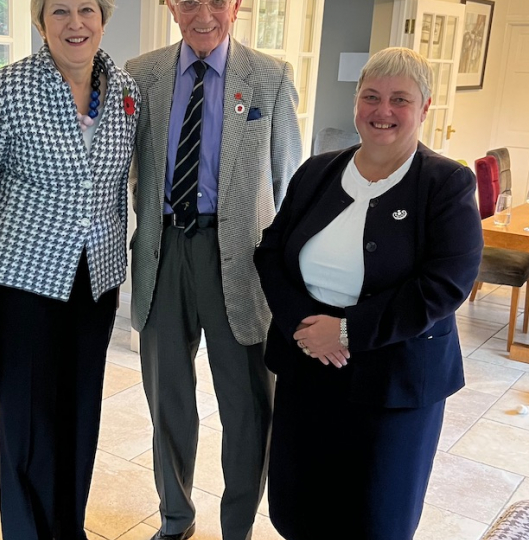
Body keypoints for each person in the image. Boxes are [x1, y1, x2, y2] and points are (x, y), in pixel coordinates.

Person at [254, 47, 484, 540]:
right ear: (356, 103)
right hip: (308, 362)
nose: (383, 111)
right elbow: (270, 252)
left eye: (400, 99)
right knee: (299, 505)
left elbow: (445, 284)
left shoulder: (446, 184)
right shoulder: (317, 171)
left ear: (424, 108)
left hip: (395, 378)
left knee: (375, 517)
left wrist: (346, 330)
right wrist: (305, 326)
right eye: (371, 97)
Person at [125, 1, 302, 539]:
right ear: (172, 7)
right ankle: (175, 520)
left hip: (241, 261)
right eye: (190, 1)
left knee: (247, 409)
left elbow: (289, 184)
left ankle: (237, 529)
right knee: (168, 402)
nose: (204, 14)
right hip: (164, 254)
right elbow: (123, 165)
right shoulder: (141, 75)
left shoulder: (270, 78)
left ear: (237, 5)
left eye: (217, 1)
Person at [0, 0, 139, 538]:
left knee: (79, 414)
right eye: (59, 11)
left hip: (96, 280)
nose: (75, 24)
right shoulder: (9, 87)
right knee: (28, 421)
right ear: (39, 22)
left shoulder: (127, 91)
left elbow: (118, 188)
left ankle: (68, 527)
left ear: (103, 18)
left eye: (86, 9)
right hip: (25, 280)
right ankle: (26, 530)